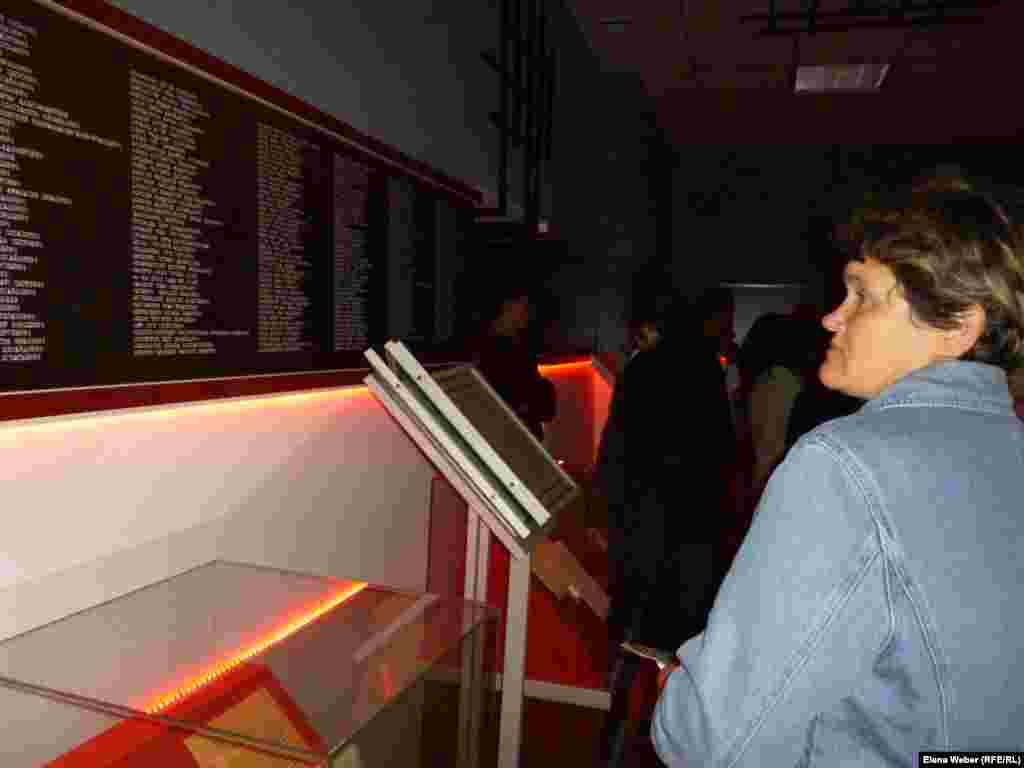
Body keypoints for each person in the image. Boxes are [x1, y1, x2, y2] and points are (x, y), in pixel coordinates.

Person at [652, 183, 1024, 765]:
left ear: (958, 328)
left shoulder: (844, 465)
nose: (832, 317)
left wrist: (676, 694)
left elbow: (713, 740)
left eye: (862, 296)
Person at [472, 282, 556, 441]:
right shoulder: (500, 351)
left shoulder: (511, 348)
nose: (528, 313)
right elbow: (537, 403)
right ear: (508, 306)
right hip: (513, 440)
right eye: (524, 307)